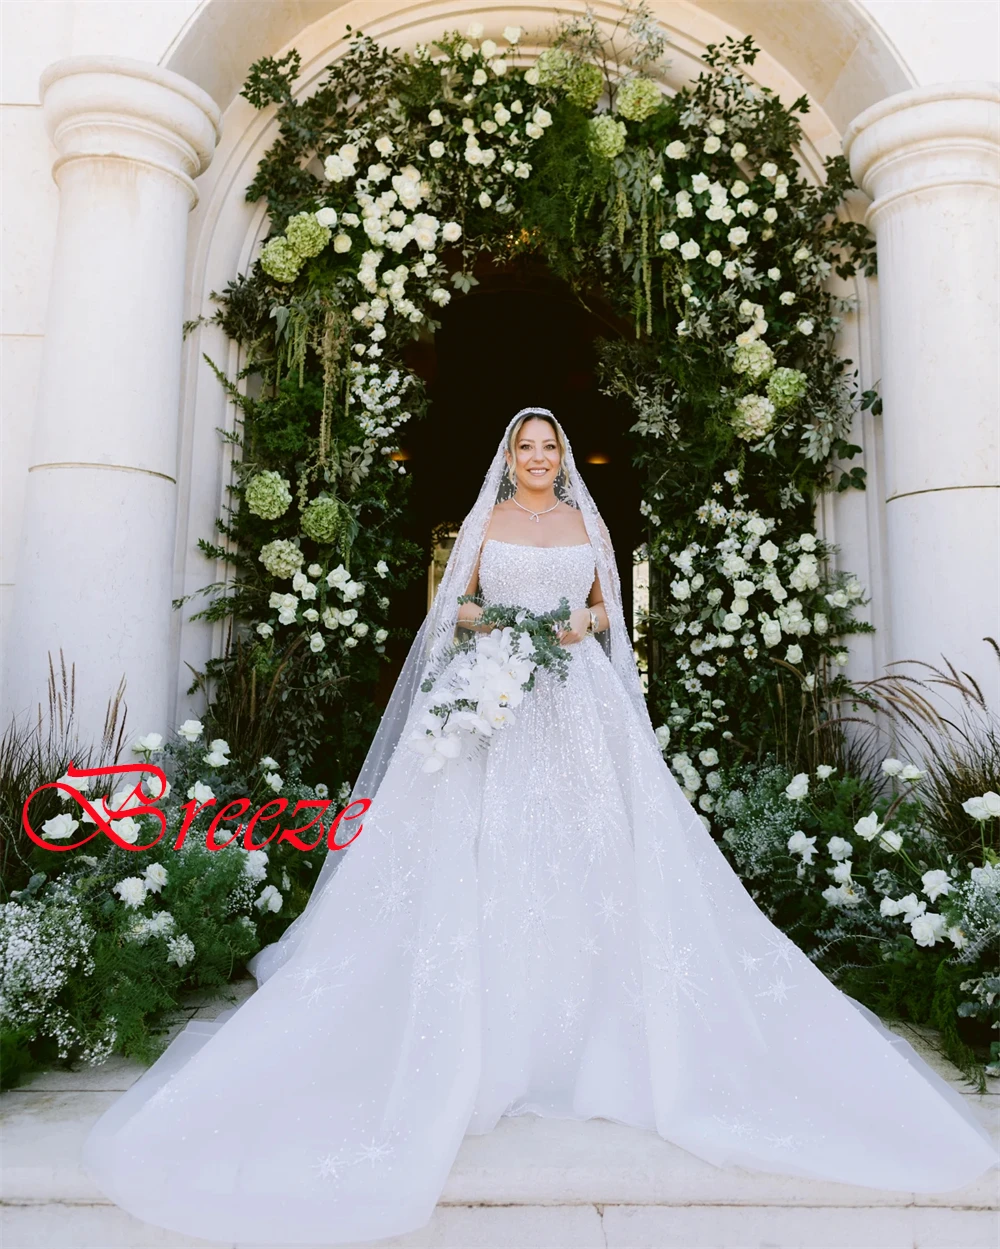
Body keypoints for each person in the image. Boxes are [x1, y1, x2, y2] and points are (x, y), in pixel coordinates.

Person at [82, 408, 999, 1245]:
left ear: (561, 459)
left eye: (548, 447)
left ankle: (593, 1029)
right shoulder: (485, 522)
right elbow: (453, 608)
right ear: (508, 456)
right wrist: (501, 622)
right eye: (525, 446)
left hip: (576, 701)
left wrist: (578, 622)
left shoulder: (581, 524)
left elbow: (608, 611)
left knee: (593, 851)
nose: (536, 457)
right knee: (484, 850)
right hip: (493, 696)